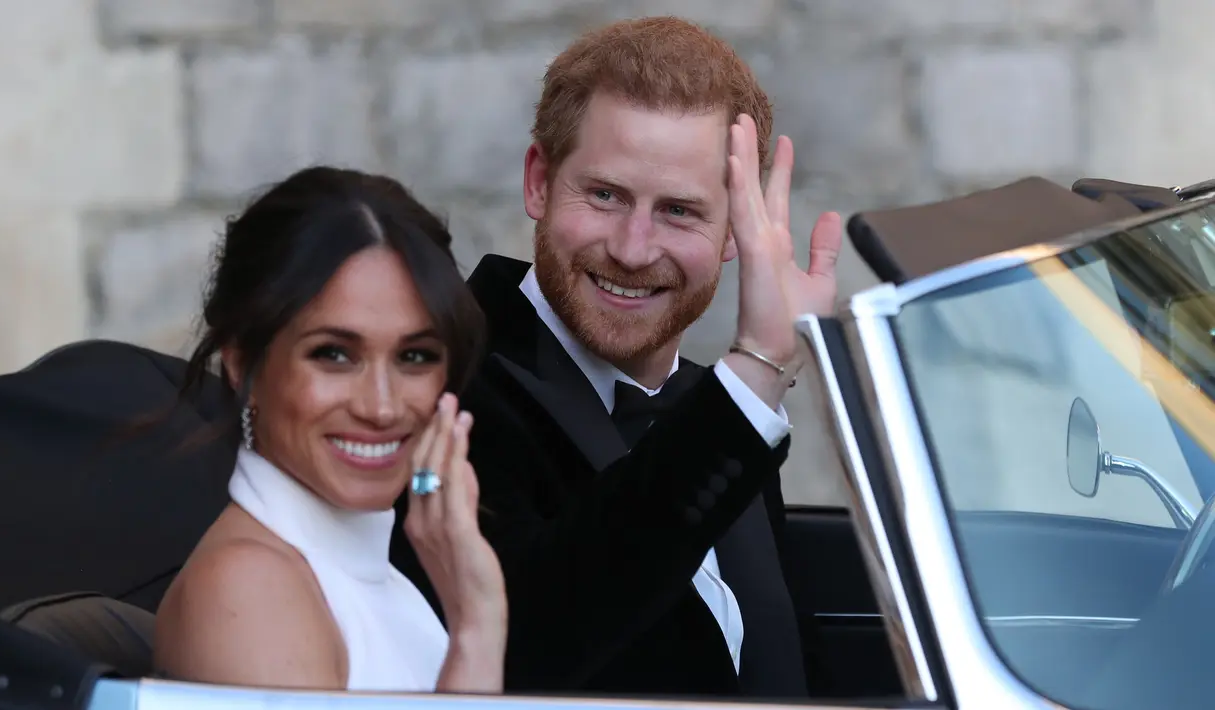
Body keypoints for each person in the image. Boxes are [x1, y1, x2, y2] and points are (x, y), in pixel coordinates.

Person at [388, 15, 842, 699]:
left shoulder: (713, 407)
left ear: (733, 232)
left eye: (680, 211)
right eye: (604, 195)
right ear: (538, 181)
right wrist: (755, 374)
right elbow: (524, 649)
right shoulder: (438, 383)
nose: (632, 248)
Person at [151, 167, 508, 693]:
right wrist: (477, 631)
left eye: (414, 356)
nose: (382, 407)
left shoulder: (376, 578)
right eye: (334, 355)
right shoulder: (247, 588)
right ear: (241, 362)